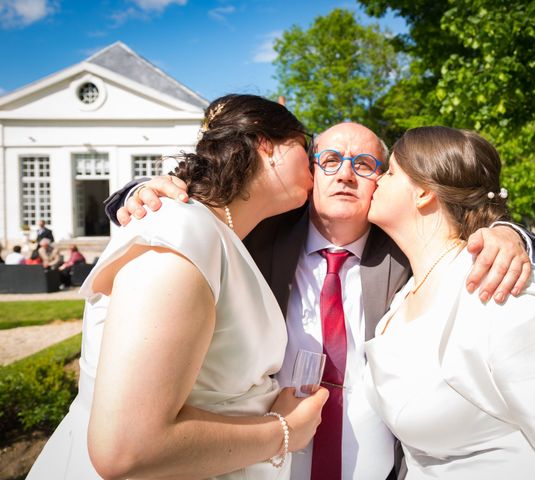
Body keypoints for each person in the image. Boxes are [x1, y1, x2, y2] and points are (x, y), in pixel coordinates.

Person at [108, 121, 535, 479]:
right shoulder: (261, 238)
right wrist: (138, 195)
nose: (344, 174)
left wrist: (510, 235)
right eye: (331, 160)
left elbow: (461, 223)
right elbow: (198, 209)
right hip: (261, 464)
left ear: (383, 180)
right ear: (312, 172)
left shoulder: (404, 251)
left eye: (364, 164)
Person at [27, 94, 329, 480]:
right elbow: (127, 450)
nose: (317, 165)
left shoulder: (219, 231)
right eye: (306, 146)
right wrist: (285, 433)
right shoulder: (183, 230)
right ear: (264, 143)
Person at [365, 126, 535, 479]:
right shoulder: (404, 294)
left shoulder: (497, 292)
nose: (377, 179)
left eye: (391, 171)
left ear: (423, 192)